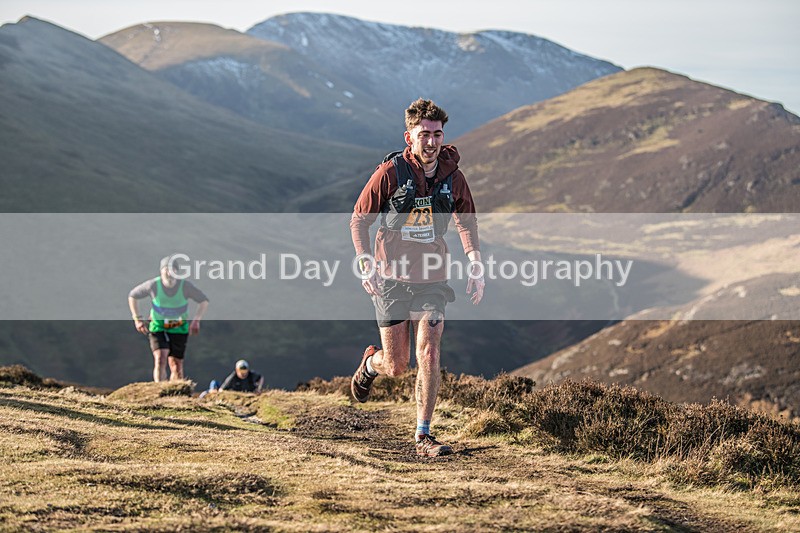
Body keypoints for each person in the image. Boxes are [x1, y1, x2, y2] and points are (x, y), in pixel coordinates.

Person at [349, 98, 485, 457]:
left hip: (433, 277)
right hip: (392, 276)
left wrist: (474, 262)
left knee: (429, 350)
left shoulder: (452, 176)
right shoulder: (390, 173)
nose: (431, 142)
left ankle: (424, 435)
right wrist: (364, 260)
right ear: (409, 136)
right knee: (396, 366)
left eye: (437, 134)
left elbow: (466, 221)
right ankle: (369, 364)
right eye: (424, 134)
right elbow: (360, 219)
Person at [128, 255, 209, 382]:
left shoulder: (185, 286)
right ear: (161, 271)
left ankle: (177, 394)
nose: (169, 272)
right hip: (158, 326)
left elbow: (204, 301)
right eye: (166, 269)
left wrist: (196, 320)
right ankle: (159, 391)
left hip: (179, 328)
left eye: (172, 269)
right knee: (160, 358)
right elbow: (133, 296)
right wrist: (137, 319)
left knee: (176, 364)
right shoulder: (153, 285)